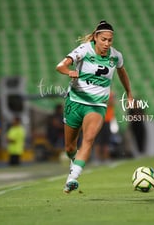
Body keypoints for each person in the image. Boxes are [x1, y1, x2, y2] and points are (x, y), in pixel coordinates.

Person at [56, 20, 133, 193]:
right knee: (69, 147)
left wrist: (128, 92)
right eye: (104, 39)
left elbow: (122, 72)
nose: (107, 43)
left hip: (97, 105)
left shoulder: (116, 56)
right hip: (75, 102)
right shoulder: (84, 50)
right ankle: (72, 160)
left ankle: (72, 178)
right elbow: (60, 66)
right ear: (96, 37)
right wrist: (70, 72)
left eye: (110, 40)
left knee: (89, 139)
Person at [94, 91, 116, 163]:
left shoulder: (110, 94)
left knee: (106, 140)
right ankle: (97, 158)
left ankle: (106, 158)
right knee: (98, 140)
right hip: (99, 119)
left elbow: (112, 103)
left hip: (107, 120)